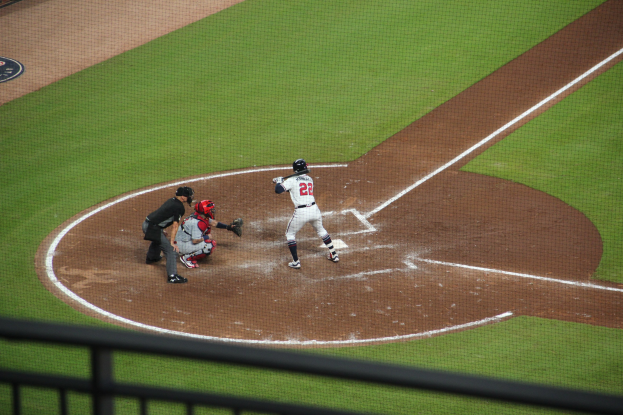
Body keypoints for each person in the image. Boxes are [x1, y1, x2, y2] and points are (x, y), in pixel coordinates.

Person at [272, 159, 339, 269]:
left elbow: (278, 190)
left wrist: (280, 182)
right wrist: (280, 182)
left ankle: (296, 262)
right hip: (314, 209)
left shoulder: (292, 180)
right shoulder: (309, 179)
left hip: (301, 212)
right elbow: (294, 189)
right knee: (321, 230)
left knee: (290, 234)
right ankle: (334, 254)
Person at [142, 186, 194, 284]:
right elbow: (175, 225)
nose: (189, 197)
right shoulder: (179, 207)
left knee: (159, 238)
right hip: (152, 227)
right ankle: (172, 276)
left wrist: (162, 229)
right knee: (171, 251)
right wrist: (172, 242)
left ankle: (152, 257)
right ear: (183, 197)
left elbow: (162, 215)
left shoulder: (172, 201)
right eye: (188, 196)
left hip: (149, 224)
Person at [175, 200, 242, 268]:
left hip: (180, 241)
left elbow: (213, 223)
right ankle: (187, 258)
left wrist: (228, 227)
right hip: (181, 246)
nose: (212, 211)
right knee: (210, 245)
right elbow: (195, 240)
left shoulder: (198, 215)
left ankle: (188, 252)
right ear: (206, 211)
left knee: (207, 229)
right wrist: (207, 237)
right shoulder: (198, 223)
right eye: (211, 209)